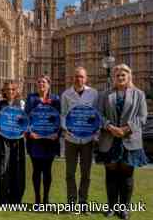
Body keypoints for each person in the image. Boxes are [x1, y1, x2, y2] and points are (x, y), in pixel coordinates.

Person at [98, 64, 147, 220]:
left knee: (127, 176)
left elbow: (142, 117)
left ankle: (124, 208)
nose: (120, 78)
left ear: (129, 77)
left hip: (129, 139)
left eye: (123, 75)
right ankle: (111, 207)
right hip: (110, 139)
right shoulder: (106, 94)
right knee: (111, 175)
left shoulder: (139, 94)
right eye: (117, 75)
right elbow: (99, 115)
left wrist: (125, 129)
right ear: (114, 77)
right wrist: (110, 127)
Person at [61, 67, 98, 213]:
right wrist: (66, 128)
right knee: (70, 173)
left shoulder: (93, 93)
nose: (79, 79)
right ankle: (71, 203)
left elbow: (96, 115)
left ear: (86, 78)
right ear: (73, 78)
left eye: (82, 77)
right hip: (70, 139)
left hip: (88, 140)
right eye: (76, 76)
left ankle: (83, 203)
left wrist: (95, 135)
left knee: (86, 173)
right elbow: (63, 114)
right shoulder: (66, 94)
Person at [25, 75, 61, 204]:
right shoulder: (31, 98)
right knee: (36, 170)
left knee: (47, 170)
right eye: (39, 82)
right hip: (35, 140)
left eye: (44, 82)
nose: (41, 84)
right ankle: (37, 199)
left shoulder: (55, 99)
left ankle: (46, 198)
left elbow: (59, 118)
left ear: (49, 84)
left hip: (50, 140)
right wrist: (30, 132)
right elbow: (26, 117)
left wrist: (57, 133)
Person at [0, 80, 26, 204]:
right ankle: (2, 198)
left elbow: (26, 122)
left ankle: (16, 198)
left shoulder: (22, 104)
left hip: (18, 141)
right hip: (3, 140)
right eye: (8, 89)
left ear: (16, 91)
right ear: (4, 91)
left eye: (13, 89)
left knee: (17, 168)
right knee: (2, 167)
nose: (10, 91)